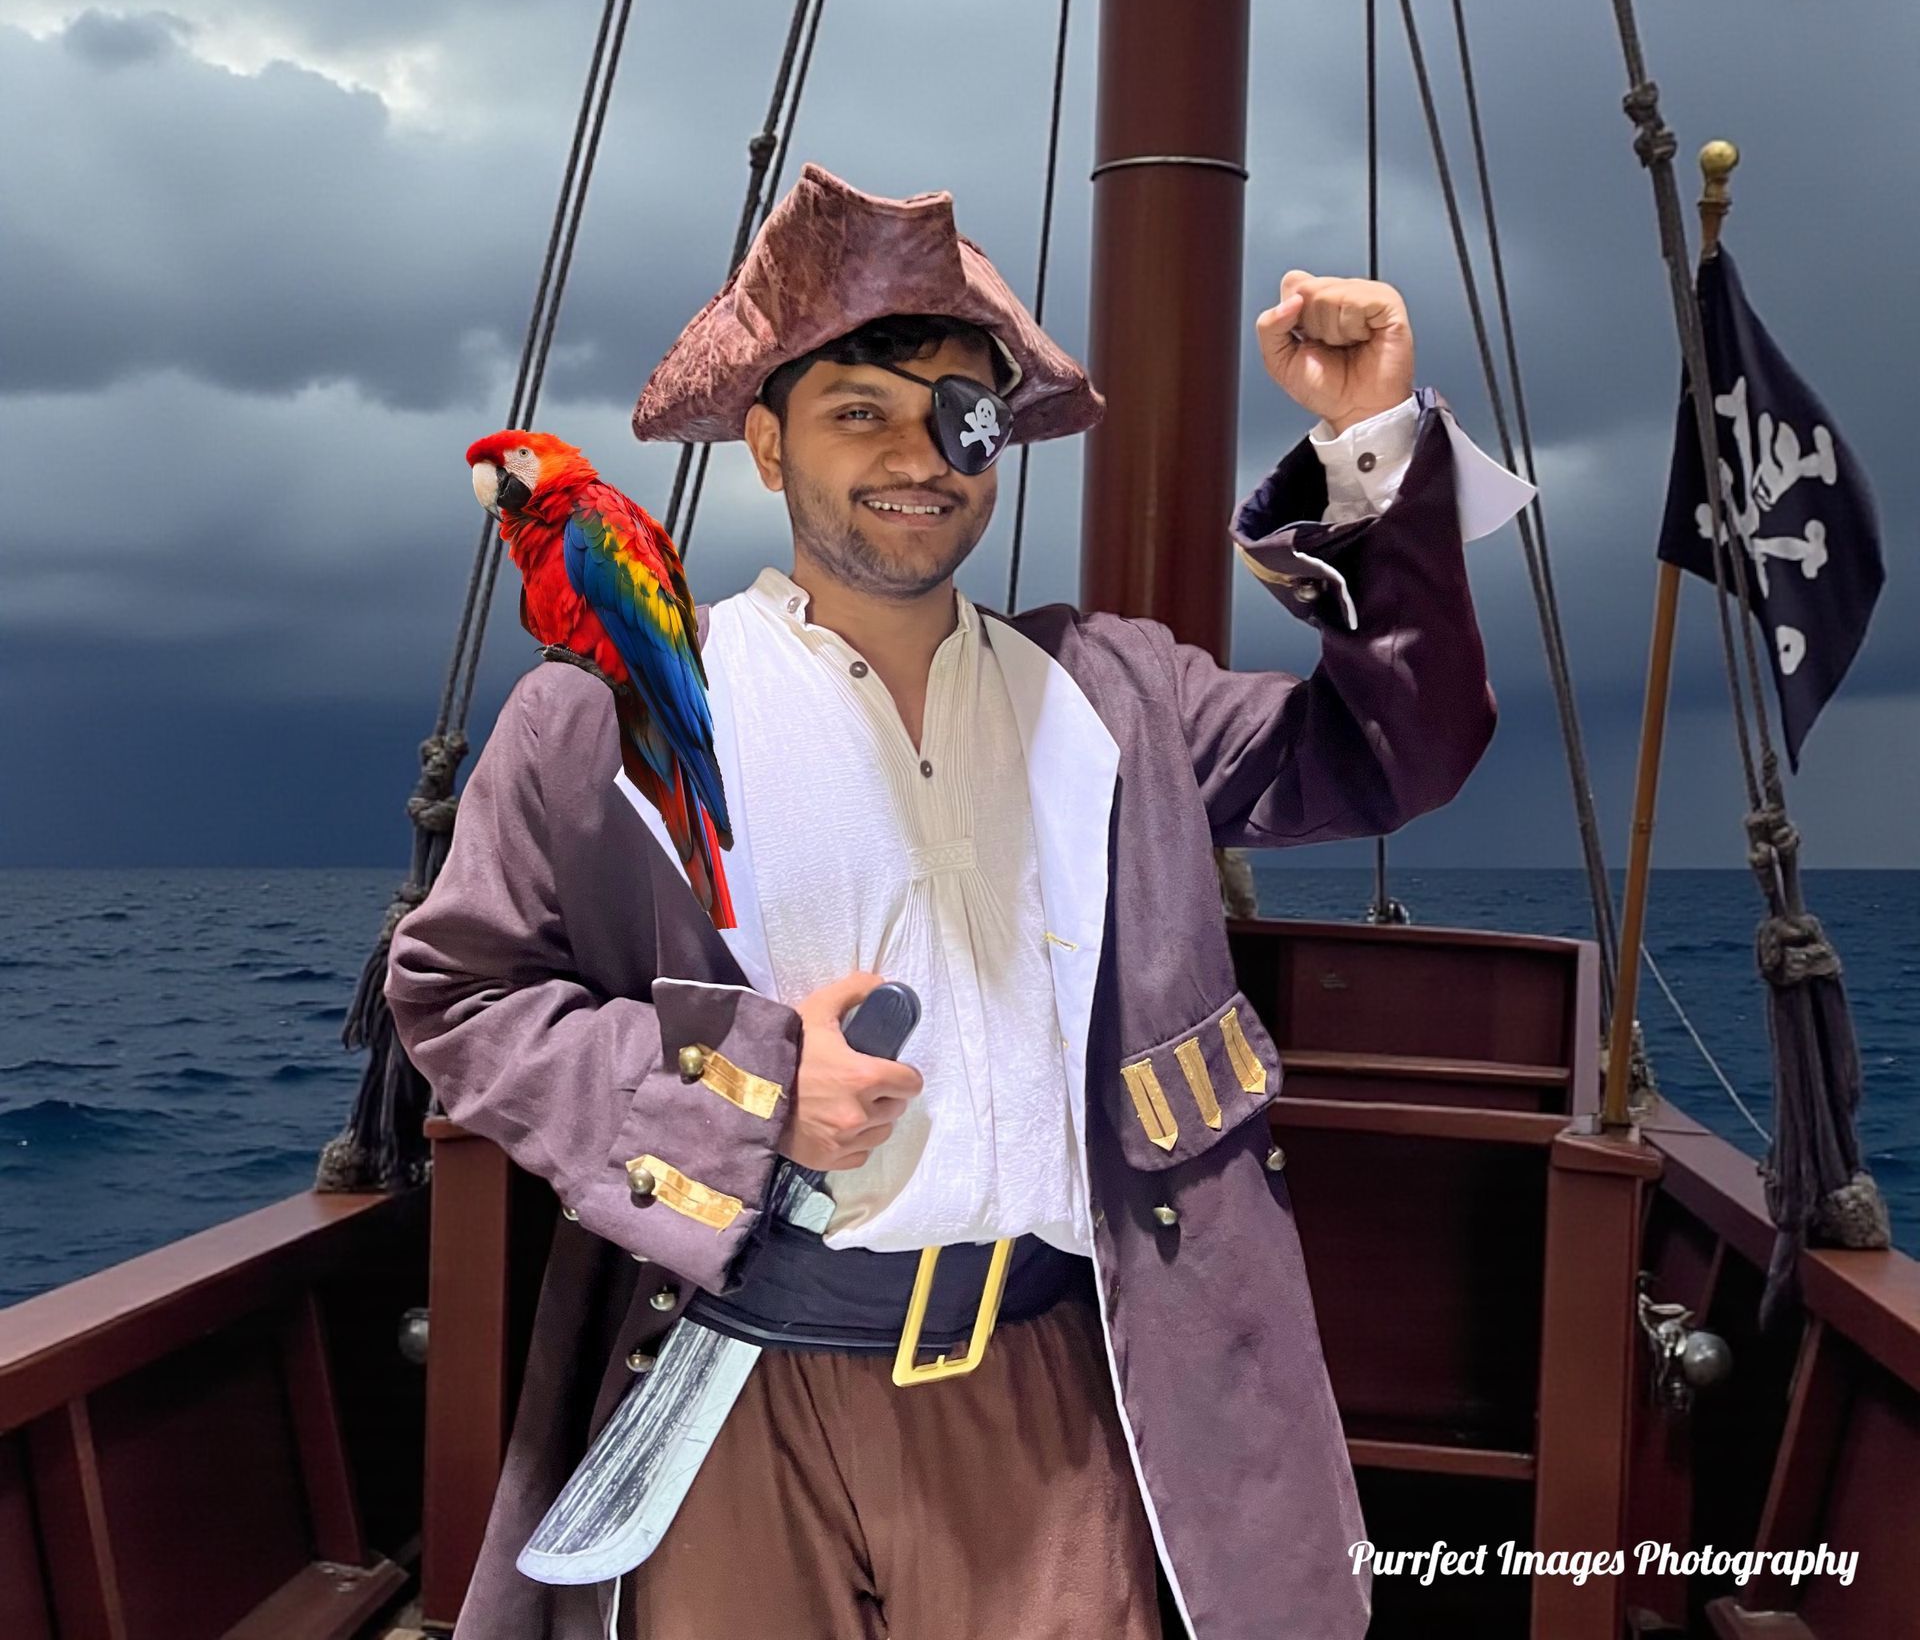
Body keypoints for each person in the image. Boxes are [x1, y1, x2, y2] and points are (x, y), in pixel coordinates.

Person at [385, 163, 1531, 1640]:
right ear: (763, 444)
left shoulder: (1121, 696)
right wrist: (745, 1095)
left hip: (1057, 1394)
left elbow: (1403, 751)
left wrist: (1368, 434)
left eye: (961, 415)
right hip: (734, 1398)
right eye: (859, 410)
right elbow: (456, 997)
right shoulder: (598, 719)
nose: (920, 452)